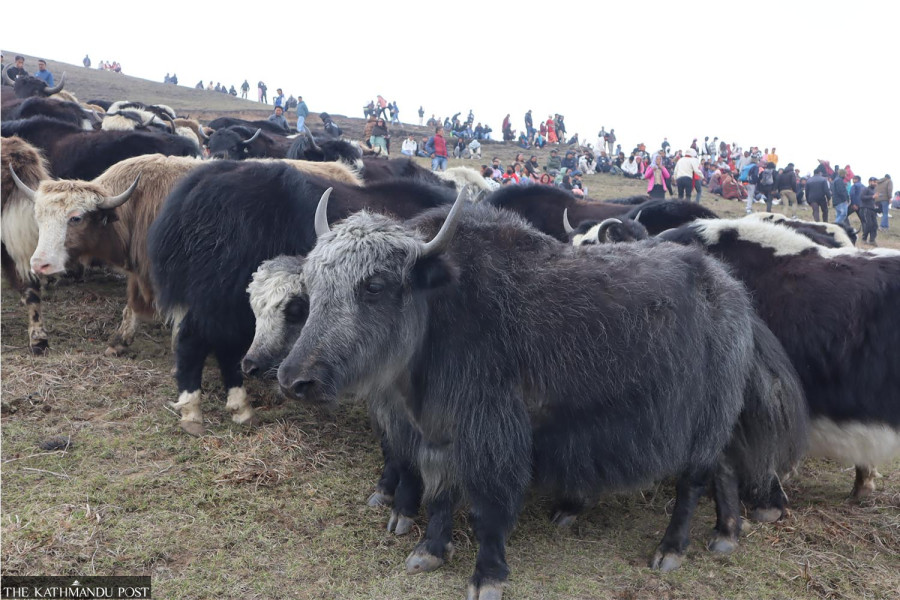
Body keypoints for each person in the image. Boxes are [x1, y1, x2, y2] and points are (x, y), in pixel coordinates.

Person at [859, 177, 879, 245]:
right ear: (870, 182)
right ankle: (864, 239)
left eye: (876, 182)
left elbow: (873, 200)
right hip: (865, 208)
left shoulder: (875, 191)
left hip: (872, 209)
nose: (875, 183)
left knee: (875, 225)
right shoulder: (865, 189)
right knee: (868, 224)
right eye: (874, 182)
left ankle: (872, 240)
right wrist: (872, 197)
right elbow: (862, 197)